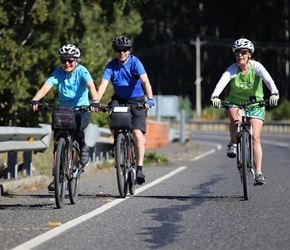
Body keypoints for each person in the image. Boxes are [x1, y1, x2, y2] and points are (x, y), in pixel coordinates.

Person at [30, 44, 99, 191]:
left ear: (76, 61)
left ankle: (82, 146)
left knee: (77, 128)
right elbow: (46, 87)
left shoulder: (82, 71)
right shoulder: (58, 73)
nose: (67, 63)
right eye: (64, 60)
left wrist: (95, 101)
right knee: (57, 143)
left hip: (82, 110)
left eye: (70, 61)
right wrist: (36, 99)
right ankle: (57, 177)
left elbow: (91, 86)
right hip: (64, 111)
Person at [210, 38, 279, 186]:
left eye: (243, 52)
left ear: (250, 54)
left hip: (255, 104)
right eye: (237, 53)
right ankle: (233, 142)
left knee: (255, 138)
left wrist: (274, 93)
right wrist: (215, 96)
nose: (240, 55)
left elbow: (269, 81)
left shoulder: (257, 67)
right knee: (235, 121)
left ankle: (259, 173)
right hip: (235, 102)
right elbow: (221, 83)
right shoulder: (232, 69)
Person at [96, 35, 154, 185]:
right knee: (111, 115)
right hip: (119, 100)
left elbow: (145, 81)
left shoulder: (135, 62)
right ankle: (117, 143)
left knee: (137, 135)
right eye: (118, 50)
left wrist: (150, 99)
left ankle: (139, 169)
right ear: (115, 51)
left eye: (125, 50)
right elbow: (103, 85)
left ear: (129, 51)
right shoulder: (111, 65)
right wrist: (96, 100)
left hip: (137, 101)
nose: (121, 53)